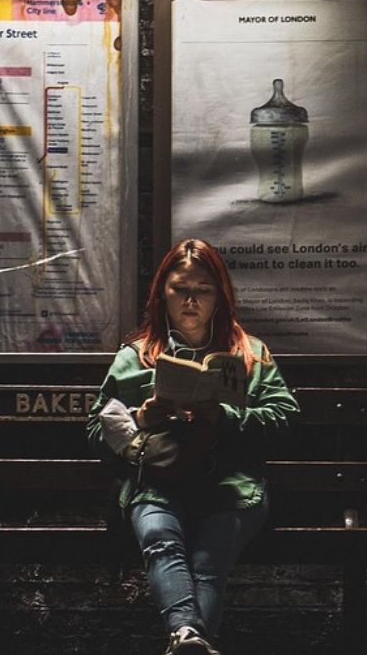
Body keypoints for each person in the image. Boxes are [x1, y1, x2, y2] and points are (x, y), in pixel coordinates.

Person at [86, 238, 300, 655]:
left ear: (220, 295)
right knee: (159, 537)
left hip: (232, 487)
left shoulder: (249, 354)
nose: (190, 300)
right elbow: (97, 430)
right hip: (158, 481)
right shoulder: (136, 356)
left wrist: (224, 416)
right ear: (161, 293)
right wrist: (141, 420)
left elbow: (285, 417)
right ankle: (191, 638)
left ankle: (185, 636)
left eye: (202, 290)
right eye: (179, 288)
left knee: (207, 562)